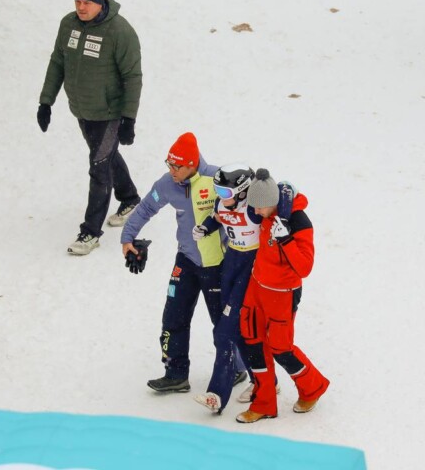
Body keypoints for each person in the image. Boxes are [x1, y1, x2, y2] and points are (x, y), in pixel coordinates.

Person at [37, 0, 143, 256]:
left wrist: (129, 118)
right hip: (82, 109)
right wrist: (46, 101)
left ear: (100, 1)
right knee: (106, 157)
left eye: (87, 2)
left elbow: (133, 77)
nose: (81, 7)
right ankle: (131, 198)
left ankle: (90, 232)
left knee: (99, 167)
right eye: (77, 1)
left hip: (109, 113)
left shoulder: (120, 31)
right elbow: (58, 61)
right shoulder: (68, 24)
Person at [121, 132, 224, 393]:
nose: (171, 171)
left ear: (191, 164)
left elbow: (249, 206)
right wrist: (127, 237)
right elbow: (145, 208)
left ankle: (234, 369)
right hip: (187, 260)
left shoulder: (218, 179)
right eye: (168, 164)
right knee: (173, 317)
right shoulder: (168, 184)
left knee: (223, 324)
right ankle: (176, 373)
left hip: (218, 265)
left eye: (176, 166)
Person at [235, 168, 330, 424]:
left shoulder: (298, 222)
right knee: (253, 341)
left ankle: (313, 387)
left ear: (271, 203)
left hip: (283, 294)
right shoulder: (265, 210)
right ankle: (263, 403)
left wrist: (286, 241)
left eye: (259, 208)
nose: (255, 213)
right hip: (257, 287)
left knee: (280, 348)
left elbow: (305, 268)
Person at [191, 164, 258, 414]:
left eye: (226, 192)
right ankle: (265, 381)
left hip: (250, 266)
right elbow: (218, 217)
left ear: (242, 192)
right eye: (218, 190)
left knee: (224, 330)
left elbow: (282, 208)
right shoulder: (222, 203)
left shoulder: (253, 208)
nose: (221, 196)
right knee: (236, 330)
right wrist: (205, 227)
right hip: (230, 260)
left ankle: (217, 394)